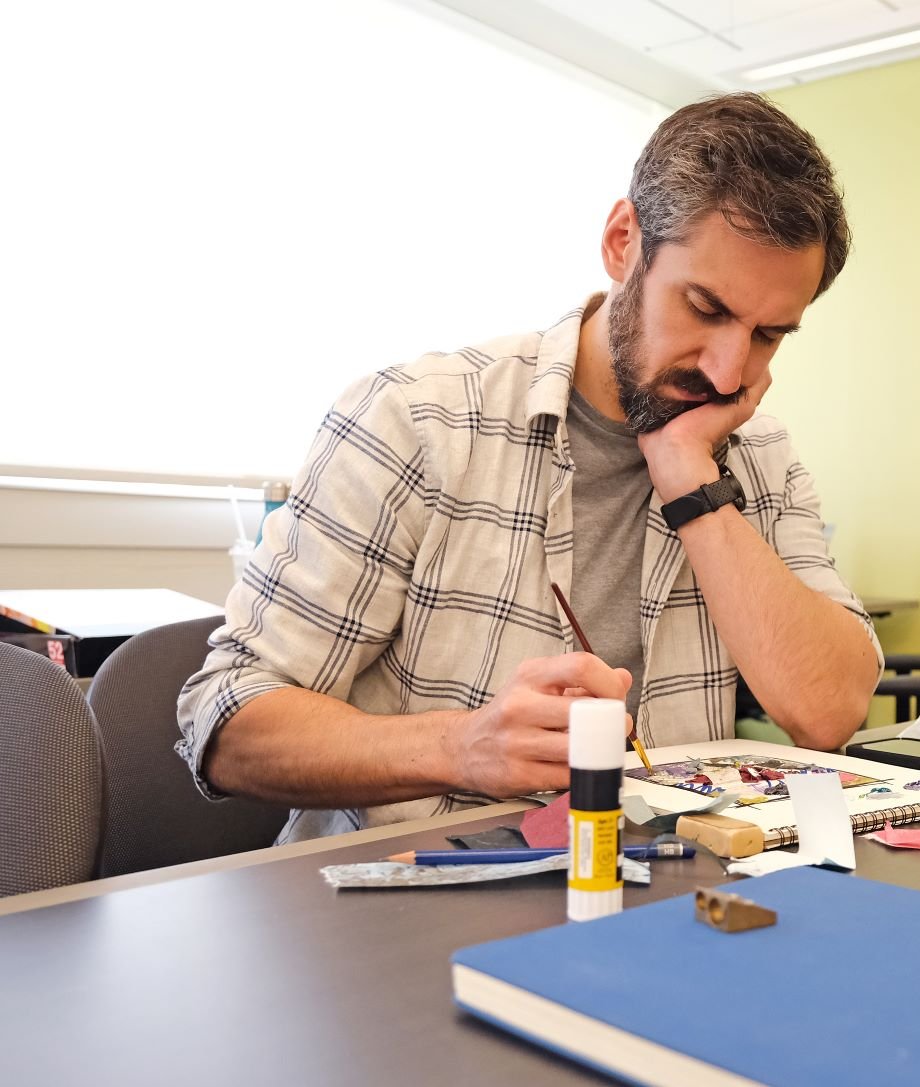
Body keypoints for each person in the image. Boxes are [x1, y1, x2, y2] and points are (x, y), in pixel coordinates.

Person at [177, 93, 883, 842]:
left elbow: (827, 712)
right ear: (623, 242)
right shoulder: (418, 420)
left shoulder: (757, 454)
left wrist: (691, 479)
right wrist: (463, 747)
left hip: (655, 892)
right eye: (705, 308)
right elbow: (225, 722)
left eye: (769, 335)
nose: (727, 371)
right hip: (408, 893)